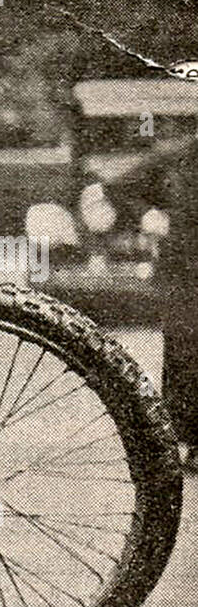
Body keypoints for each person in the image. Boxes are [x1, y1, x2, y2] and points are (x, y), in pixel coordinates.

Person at [85, 135, 198, 466]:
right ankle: (189, 441)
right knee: (186, 349)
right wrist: (148, 214)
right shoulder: (177, 157)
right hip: (186, 269)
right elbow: (117, 190)